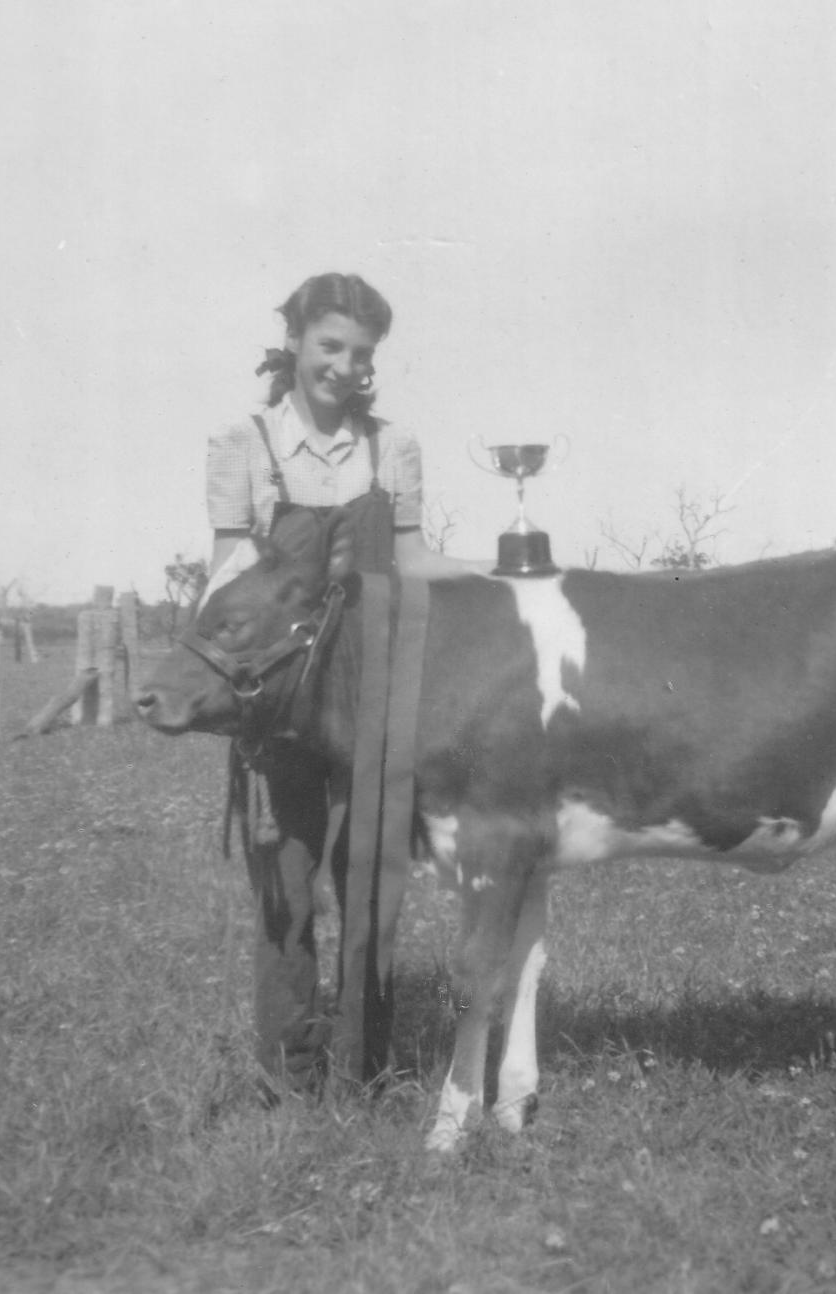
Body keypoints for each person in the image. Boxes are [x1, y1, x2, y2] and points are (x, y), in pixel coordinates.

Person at [204, 271, 470, 1094]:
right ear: (295, 343)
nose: (344, 366)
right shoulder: (242, 442)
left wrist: (507, 574)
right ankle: (289, 1077)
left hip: (375, 709)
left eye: (361, 354)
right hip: (283, 707)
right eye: (329, 346)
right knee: (286, 893)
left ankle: (366, 1069)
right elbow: (228, 571)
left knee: (370, 887)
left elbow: (417, 559)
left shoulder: (394, 447)